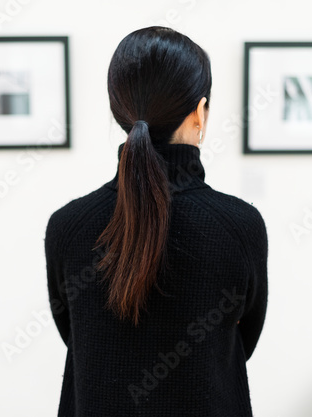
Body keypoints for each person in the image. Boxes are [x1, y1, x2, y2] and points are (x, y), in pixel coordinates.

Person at [44, 26, 269, 416]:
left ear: (120, 111)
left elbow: (74, 335)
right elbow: (240, 340)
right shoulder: (240, 226)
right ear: (200, 112)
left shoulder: (68, 226)